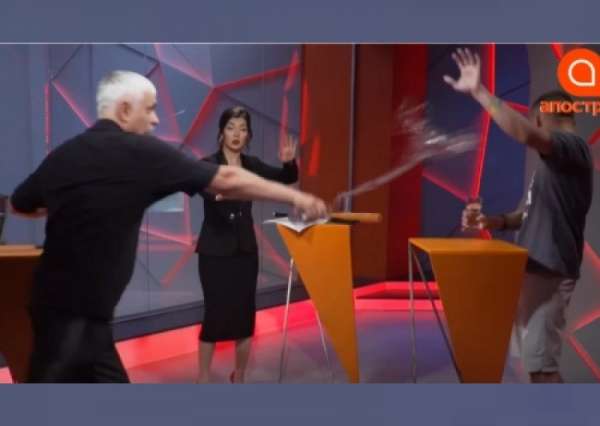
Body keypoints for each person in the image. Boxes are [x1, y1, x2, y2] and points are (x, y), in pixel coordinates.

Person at [9, 70, 327, 383]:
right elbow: (227, 180)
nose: (155, 119)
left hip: (66, 313)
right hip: (73, 322)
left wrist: (69, 204)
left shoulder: (65, 153)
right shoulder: (140, 151)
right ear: (124, 110)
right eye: (149, 109)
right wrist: (296, 197)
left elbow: (21, 203)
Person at [447, 48, 593, 383]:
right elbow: (526, 214)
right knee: (532, 364)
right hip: (534, 271)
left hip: (550, 273)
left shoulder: (573, 148)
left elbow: (525, 134)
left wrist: (479, 91)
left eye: (532, 119)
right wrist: (493, 222)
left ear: (540, 118)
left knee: (541, 369)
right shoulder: (554, 167)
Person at [195, 106, 298, 383]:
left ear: (248, 135)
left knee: (244, 316)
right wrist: (219, 195)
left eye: (242, 129)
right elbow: (203, 188)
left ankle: (238, 376)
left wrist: (289, 162)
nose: (236, 134)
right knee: (214, 314)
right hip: (214, 252)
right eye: (231, 127)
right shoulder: (209, 164)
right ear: (221, 133)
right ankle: (202, 377)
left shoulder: (251, 165)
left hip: (245, 252)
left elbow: (287, 178)